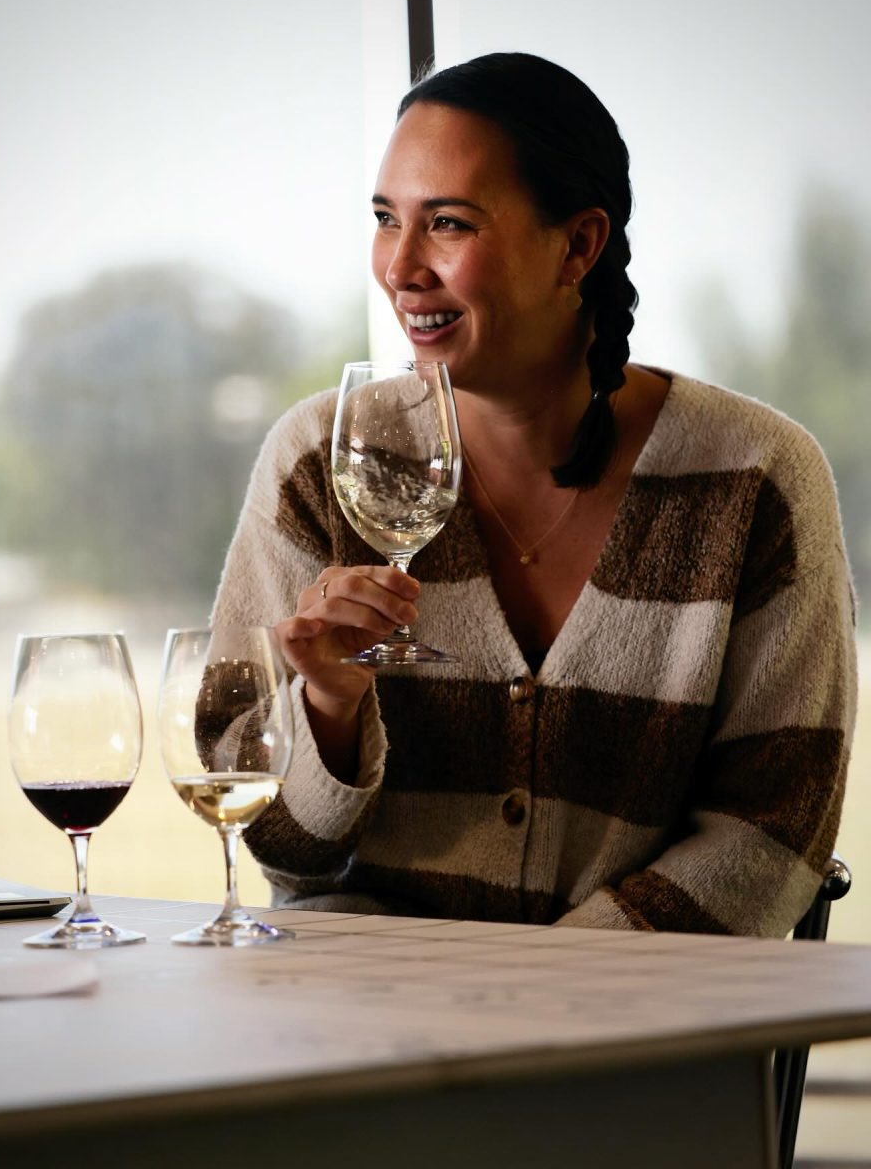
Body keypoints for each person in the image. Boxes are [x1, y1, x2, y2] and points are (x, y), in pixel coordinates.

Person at [210, 52, 856, 936]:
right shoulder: (319, 461)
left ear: (578, 246)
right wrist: (326, 708)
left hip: (636, 1044)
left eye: (448, 223)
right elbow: (272, 839)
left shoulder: (755, 479)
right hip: (358, 1035)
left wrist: (547, 1002)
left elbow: (772, 837)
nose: (400, 267)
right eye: (384, 219)